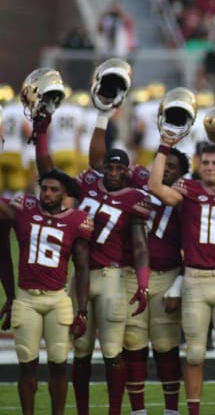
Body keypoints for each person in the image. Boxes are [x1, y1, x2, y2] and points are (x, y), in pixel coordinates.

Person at [34, 113, 152, 415]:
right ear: (102, 168)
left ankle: (114, 410)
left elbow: (140, 246)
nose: (113, 172)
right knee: (82, 352)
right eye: (109, 167)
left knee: (113, 352)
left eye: (119, 168)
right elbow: (49, 172)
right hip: (81, 278)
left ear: (127, 171)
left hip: (112, 277)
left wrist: (142, 283)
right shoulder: (86, 186)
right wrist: (42, 135)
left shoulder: (134, 198)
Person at [88, 115, 189, 415]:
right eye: (164, 165)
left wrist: (179, 285)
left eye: (173, 168)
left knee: (166, 347)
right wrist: (103, 116)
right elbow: (98, 162)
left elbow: (196, 249)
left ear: (183, 175)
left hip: (168, 275)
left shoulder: (186, 198)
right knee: (133, 345)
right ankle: (138, 411)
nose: (167, 170)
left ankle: (171, 410)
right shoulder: (140, 180)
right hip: (132, 275)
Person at [148, 138, 215, 415]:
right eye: (205, 162)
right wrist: (163, 146)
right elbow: (155, 187)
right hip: (195, 280)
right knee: (194, 354)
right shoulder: (189, 191)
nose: (209, 167)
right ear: (198, 164)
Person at [0, 170, 91, 415]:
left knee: (59, 365)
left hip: (57, 299)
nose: (48, 193)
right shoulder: (25, 210)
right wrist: (10, 296)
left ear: (65, 194)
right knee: (27, 366)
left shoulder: (76, 220)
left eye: (54, 189)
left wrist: (82, 310)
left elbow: (82, 269)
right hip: (27, 298)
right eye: (45, 188)